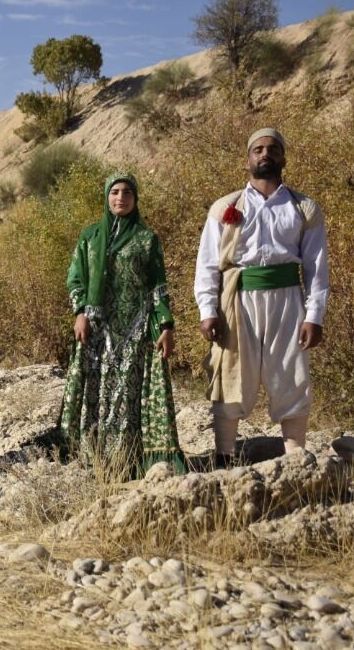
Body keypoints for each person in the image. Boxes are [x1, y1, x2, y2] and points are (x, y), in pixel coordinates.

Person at [195, 128, 328, 466]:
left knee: (291, 372)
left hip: (288, 301)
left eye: (271, 149)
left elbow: (316, 267)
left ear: (282, 157)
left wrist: (314, 316)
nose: (264, 154)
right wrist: (208, 310)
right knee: (232, 372)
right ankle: (224, 456)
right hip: (237, 300)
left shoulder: (303, 208)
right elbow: (208, 263)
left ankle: (295, 459)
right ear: (248, 160)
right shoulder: (225, 207)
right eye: (258, 150)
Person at [57, 172, 185, 479]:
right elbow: (76, 278)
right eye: (115, 192)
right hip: (96, 329)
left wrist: (165, 325)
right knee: (95, 391)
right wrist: (80, 312)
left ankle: (127, 462)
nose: (120, 197)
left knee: (127, 396)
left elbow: (158, 287)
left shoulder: (146, 239)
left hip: (134, 331)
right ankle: (93, 459)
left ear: (135, 199)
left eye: (127, 192)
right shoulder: (90, 237)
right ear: (106, 196)